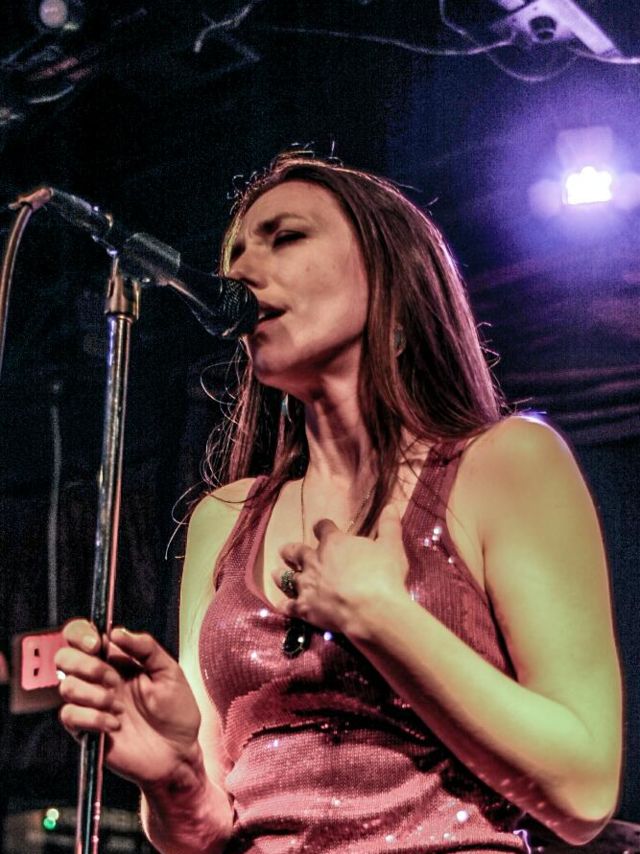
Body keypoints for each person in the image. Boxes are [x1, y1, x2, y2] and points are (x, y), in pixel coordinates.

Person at [56, 152, 622, 853]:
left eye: (285, 237)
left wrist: (382, 616)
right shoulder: (224, 519)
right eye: (235, 253)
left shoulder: (505, 463)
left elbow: (584, 792)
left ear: (388, 275)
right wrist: (173, 777)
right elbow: (204, 831)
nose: (240, 270)